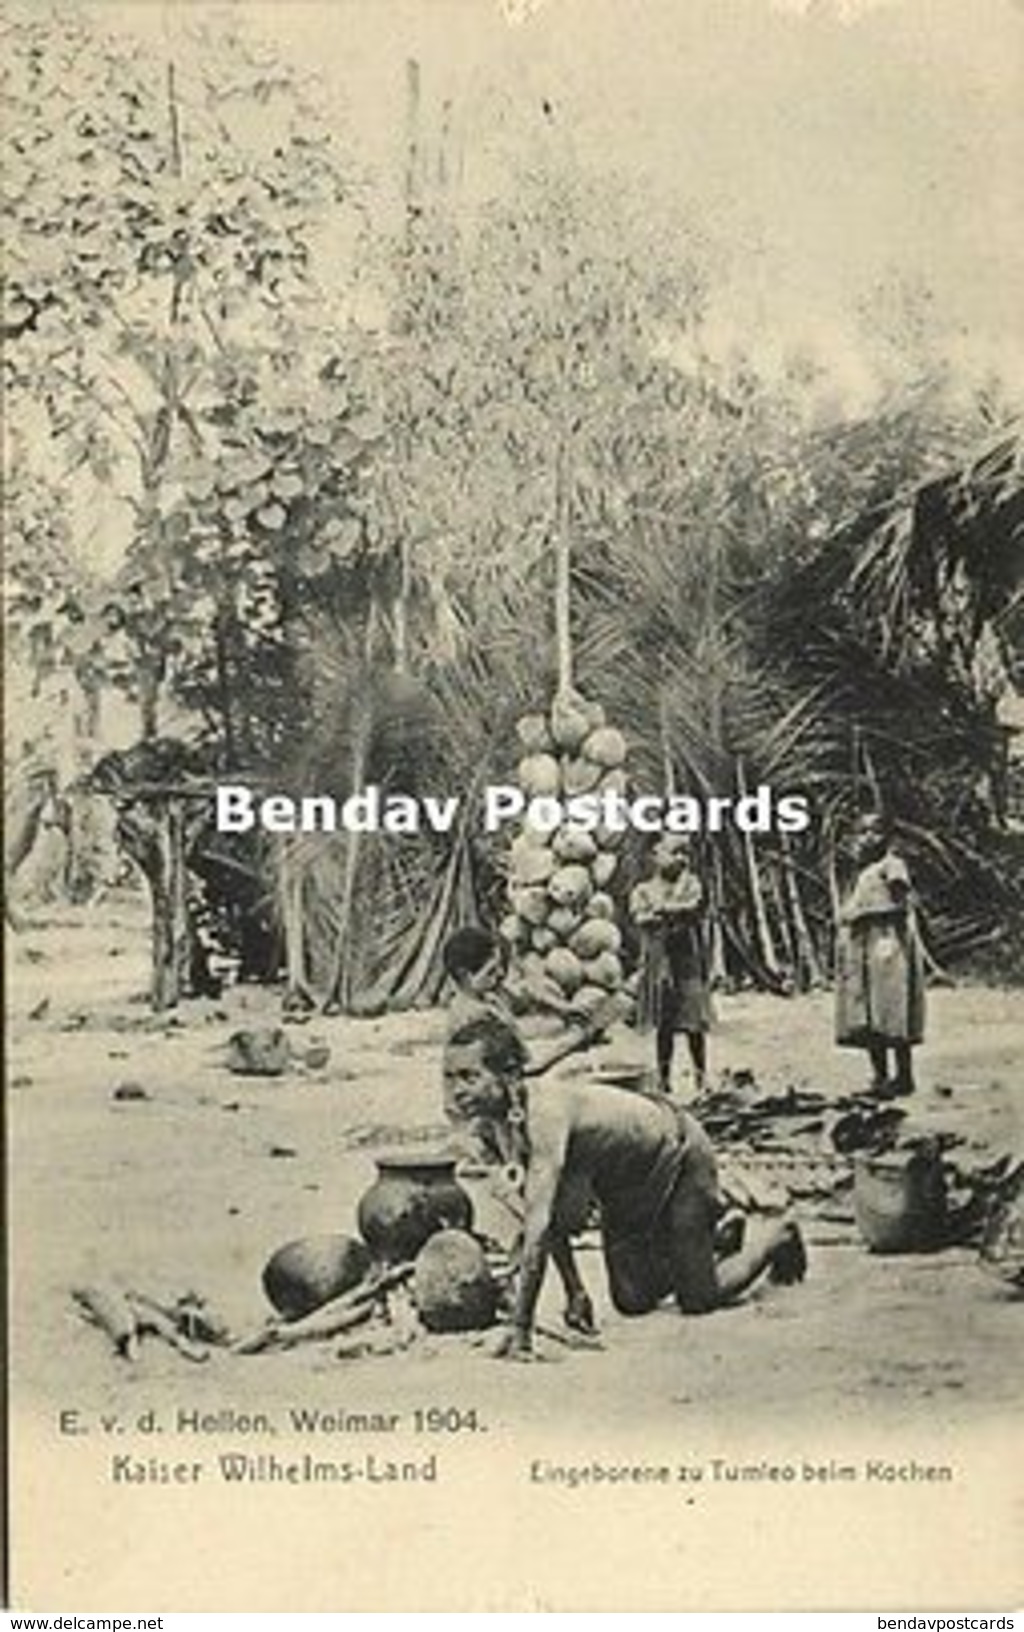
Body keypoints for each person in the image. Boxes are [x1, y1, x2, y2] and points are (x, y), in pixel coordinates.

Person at [446, 1059, 805, 1359]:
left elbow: (539, 1224)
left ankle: (776, 1234)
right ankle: (714, 1240)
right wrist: (576, 1291)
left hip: (679, 1156)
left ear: (508, 1077)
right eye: (451, 1077)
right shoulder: (496, 1125)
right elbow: (546, 1208)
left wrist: (520, 1328)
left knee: (698, 1298)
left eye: (470, 1077)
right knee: (632, 1301)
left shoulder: (547, 1113)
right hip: (629, 1190)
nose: (457, 1089)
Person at [441, 925, 607, 1334]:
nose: (499, 977)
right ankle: (523, 1296)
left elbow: (524, 991)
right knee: (531, 1211)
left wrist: (563, 1009)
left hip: (510, 1109)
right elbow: (524, 1069)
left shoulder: (490, 995)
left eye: (500, 969)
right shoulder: (470, 1017)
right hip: (489, 1122)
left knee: (540, 1206)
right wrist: (575, 1039)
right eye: (489, 971)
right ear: (463, 976)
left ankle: (571, 1292)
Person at [834, 813, 925, 1098]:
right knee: (870, 1013)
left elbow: (903, 904)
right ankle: (880, 1078)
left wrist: (862, 914)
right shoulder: (865, 872)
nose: (866, 838)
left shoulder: (892, 865)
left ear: (887, 836)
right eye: (862, 833)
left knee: (890, 1010)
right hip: (864, 948)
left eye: (873, 832)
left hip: (886, 944)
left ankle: (903, 1076)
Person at [629, 833, 711, 1095]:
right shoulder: (643, 889)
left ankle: (701, 1076)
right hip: (659, 961)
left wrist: (665, 911)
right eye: (673, 852)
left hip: (686, 959)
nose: (681, 859)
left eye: (684, 853)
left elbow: (695, 908)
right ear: (655, 856)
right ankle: (664, 1079)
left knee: (693, 1021)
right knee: (664, 1022)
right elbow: (641, 917)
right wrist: (669, 911)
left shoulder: (692, 884)